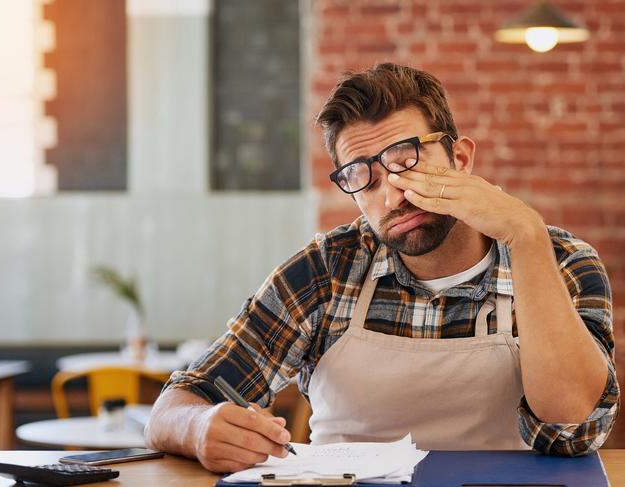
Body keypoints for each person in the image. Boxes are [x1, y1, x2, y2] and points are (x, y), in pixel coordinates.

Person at [145, 63, 619, 473]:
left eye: (406, 161)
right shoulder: (326, 270)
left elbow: (573, 428)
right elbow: (177, 404)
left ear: (460, 158)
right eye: (363, 177)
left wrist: (527, 239)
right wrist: (198, 426)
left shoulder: (561, 261)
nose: (391, 195)